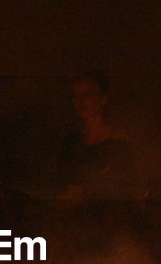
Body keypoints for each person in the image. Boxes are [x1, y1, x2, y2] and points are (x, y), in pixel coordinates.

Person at [57, 70, 137, 207]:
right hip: (74, 216)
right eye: (76, 96)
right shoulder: (72, 141)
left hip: (109, 215)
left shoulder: (119, 140)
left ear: (104, 99)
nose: (80, 101)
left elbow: (124, 186)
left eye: (87, 95)